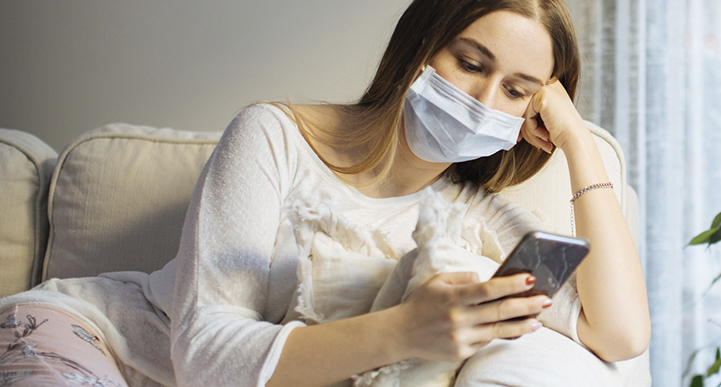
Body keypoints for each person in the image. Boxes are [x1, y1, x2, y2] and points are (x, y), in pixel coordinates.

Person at [0, 0, 650, 386]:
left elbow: (619, 335)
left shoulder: (472, 222)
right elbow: (204, 356)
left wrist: (578, 142)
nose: (483, 100)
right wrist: (405, 329)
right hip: (93, 336)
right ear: (420, 47)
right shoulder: (274, 135)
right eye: (470, 63)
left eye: (515, 89)